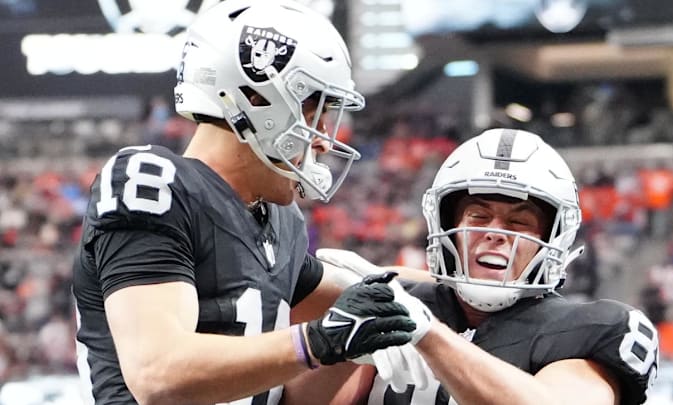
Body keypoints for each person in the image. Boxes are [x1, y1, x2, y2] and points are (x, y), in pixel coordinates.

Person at [71, 1, 425, 404]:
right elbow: (159, 373)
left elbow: (363, 295)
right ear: (257, 100)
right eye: (316, 114)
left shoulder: (280, 220)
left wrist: (470, 288)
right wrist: (318, 341)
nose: (324, 139)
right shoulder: (153, 181)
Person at [289, 128, 659, 405]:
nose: (496, 234)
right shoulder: (399, 302)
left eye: (519, 222)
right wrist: (340, 346)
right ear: (446, 226)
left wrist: (430, 337)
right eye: (478, 216)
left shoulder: (588, 330)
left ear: (554, 237)